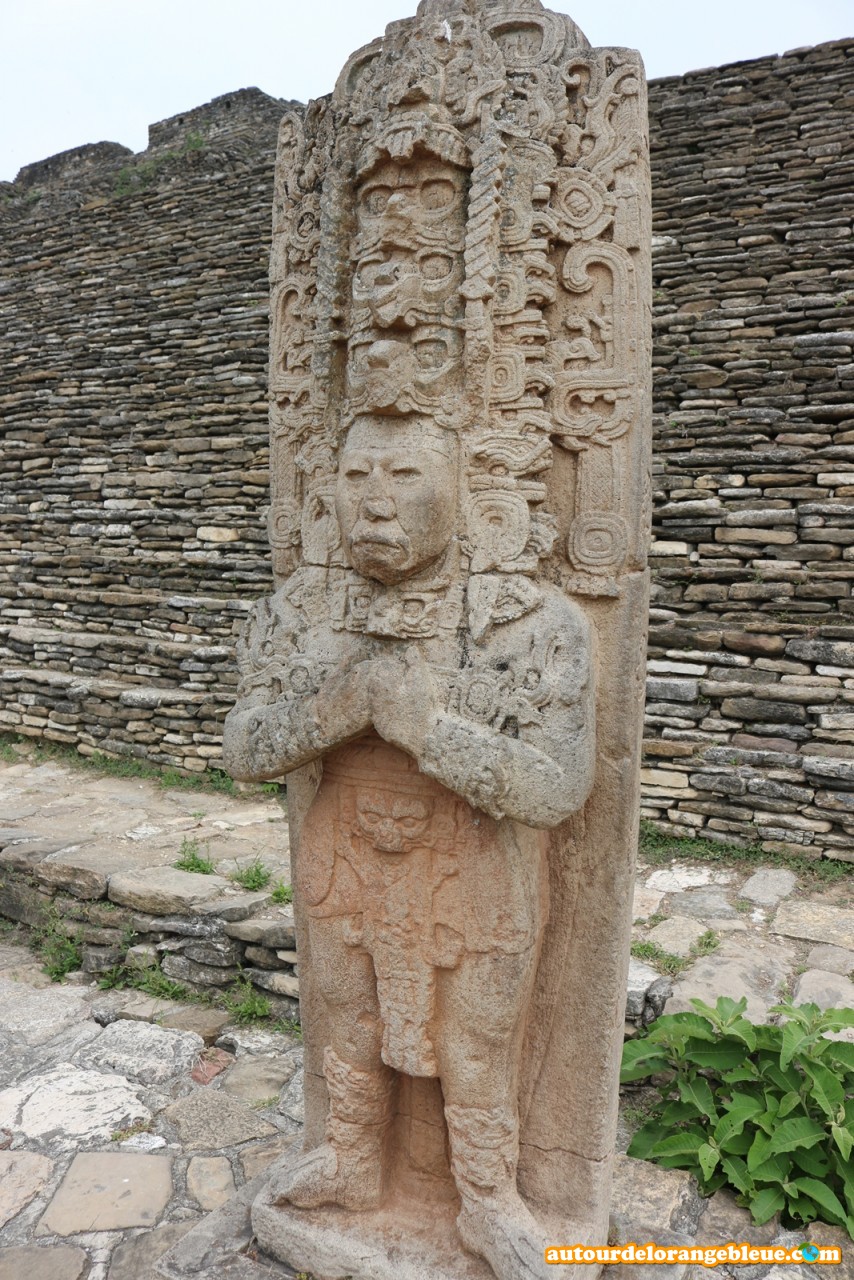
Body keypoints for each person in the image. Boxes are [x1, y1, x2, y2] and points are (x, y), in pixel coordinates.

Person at [223, 411, 595, 1280]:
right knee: (346, 1015)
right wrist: (339, 708)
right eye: (356, 478)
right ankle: (352, 1159)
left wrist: (426, 730)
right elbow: (243, 749)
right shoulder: (301, 612)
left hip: (475, 858)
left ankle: (488, 1199)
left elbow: (555, 789)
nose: (375, 502)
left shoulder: (535, 623)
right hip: (344, 848)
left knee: (476, 1041)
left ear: (473, 495)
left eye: (405, 476)